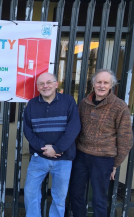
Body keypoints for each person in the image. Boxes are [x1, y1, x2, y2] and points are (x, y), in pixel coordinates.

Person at [69, 69, 133, 217]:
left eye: (106, 83)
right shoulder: (84, 104)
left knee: (99, 198)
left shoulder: (119, 106)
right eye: (99, 82)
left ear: (111, 85)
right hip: (81, 156)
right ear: (93, 84)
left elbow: (126, 138)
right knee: (76, 194)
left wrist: (115, 164)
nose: (102, 86)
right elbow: (76, 130)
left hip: (103, 159)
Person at [23, 73, 81, 217]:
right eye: (41, 84)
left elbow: (74, 127)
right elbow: (28, 131)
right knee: (30, 194)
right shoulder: (31, 104)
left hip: (63, 159)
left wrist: (56, 148)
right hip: (39, 158)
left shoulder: (68, 101)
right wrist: (45, 149)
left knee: (59, 198)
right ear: (37, 87)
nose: (45, 86)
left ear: (56, 84)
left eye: (49, 82)